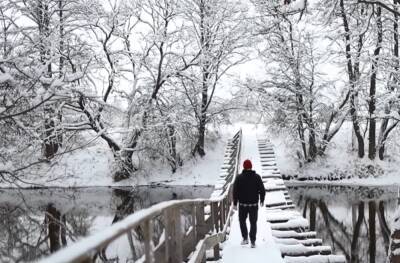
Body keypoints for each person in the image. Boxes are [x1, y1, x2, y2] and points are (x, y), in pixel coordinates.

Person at [233, 159, 266, 248]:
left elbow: (235, 191)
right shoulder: (257, 177)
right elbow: (262, 190)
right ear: (251, 167)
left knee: (242, 221)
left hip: (243, 205)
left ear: (244, 167)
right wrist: (262, 200)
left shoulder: (239, 178)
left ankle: (245, 238)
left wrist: (235, 203)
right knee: (253, 222)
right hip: (254, 205)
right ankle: (253, 242)